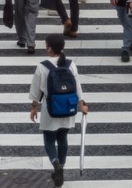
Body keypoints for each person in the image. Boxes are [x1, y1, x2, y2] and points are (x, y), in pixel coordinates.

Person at [28, 34, 88, 188]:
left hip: (50, 110)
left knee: (49, 139)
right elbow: (77, 87)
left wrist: (34, 107)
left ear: (49, 48)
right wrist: (81, 104)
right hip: (68, 107)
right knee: (63, 138)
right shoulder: (70, 65)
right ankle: (62, 165)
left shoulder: (43, 66)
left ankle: (56, 164)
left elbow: (36, 90)